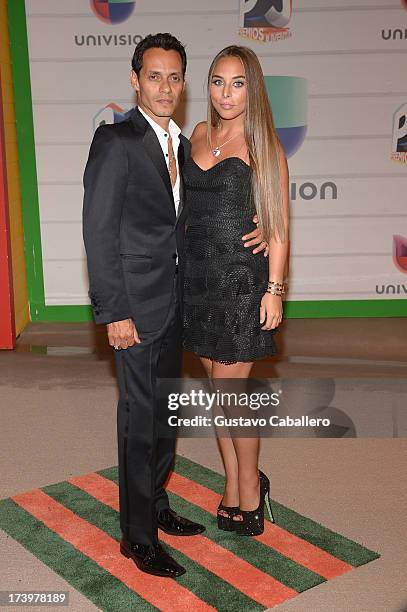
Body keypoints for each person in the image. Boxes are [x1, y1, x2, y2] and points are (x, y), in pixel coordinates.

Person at [82, 34, 266, 578]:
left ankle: (156, 505)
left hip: (178, 306)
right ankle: (136, 537)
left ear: (184, 84)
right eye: (154, 76)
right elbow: (98, 233)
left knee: (165, 418)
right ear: (135, 79)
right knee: (140, 421)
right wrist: (113, 310)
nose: (165, 86)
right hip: (134, 311)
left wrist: (256, 231)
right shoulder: (115, 141)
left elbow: (205, 212)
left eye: (174, 77)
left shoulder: (186, 144)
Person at [182, 45, 290, 536]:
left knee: (232, 394)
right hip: (198, 282)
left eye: (238, 83)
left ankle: (250, 484)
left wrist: (274, 289)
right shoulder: (198, 135)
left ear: (253, 89)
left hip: (242, 285)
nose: (226, 93)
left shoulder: (264, 145)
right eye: (218, 81)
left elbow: (280, 228)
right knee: (216, 396)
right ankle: (231, 483)